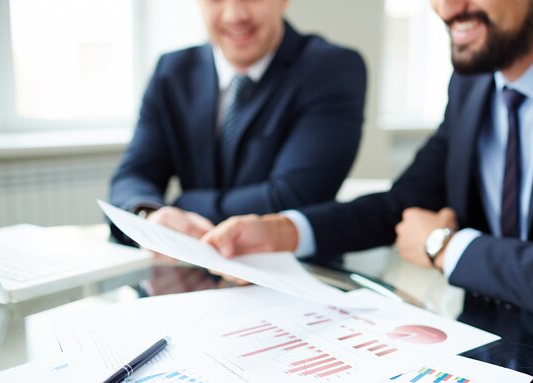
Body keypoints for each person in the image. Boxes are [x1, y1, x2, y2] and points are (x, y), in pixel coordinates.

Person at [204, 0, 533, 343]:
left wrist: (446, 246)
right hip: (497, 354)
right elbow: (403, 205)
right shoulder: (472, 83)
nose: (447, 8)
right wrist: (284, 232)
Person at [109, 0, 366, 244]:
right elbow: (133, 176)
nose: (234, 15)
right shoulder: (172, 71)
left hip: (294, 271)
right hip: (188, 271)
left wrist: (180, 205)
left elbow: (294, 196)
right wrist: (151, 214)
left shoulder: (331, 68)